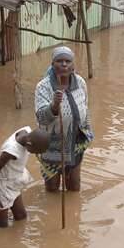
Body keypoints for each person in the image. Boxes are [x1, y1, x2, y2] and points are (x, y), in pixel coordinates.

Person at [35, 47, 94, 193]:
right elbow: (41, 118)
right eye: (59, 61)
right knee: (52, 188)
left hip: (75, 143)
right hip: (52, 145)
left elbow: (85, 110)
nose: (64, 64)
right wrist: (54, 105)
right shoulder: (43, 87)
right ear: (52, 64)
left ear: (73, 65)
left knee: (74, 187)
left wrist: (86, 134)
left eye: (68, 61)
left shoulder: (80, 83)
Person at [0, 126, 50, 227]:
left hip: (13, 181)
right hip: (1, 186)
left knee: (21, 216)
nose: (34, 154)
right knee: (2, 225)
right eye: (35, 151)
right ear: (29, 144)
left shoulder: (27, 131)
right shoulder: (11, 151)